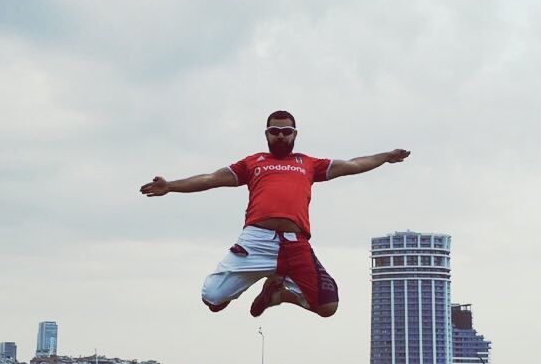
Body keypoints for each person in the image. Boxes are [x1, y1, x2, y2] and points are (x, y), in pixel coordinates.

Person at [140, 110, 410, 319]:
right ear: (266, 134)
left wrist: (385, 156)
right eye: (274, 131)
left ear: (295, 134)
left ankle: (278, 294)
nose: (281, 136)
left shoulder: (308, 163)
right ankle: (260, 280)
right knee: (212, 299)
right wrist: (171, 186)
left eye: (286, 131)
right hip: (255, 242)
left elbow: (352, 164)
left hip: (295, 244)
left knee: (328, 307)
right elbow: (211, 178)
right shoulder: (253, 163)